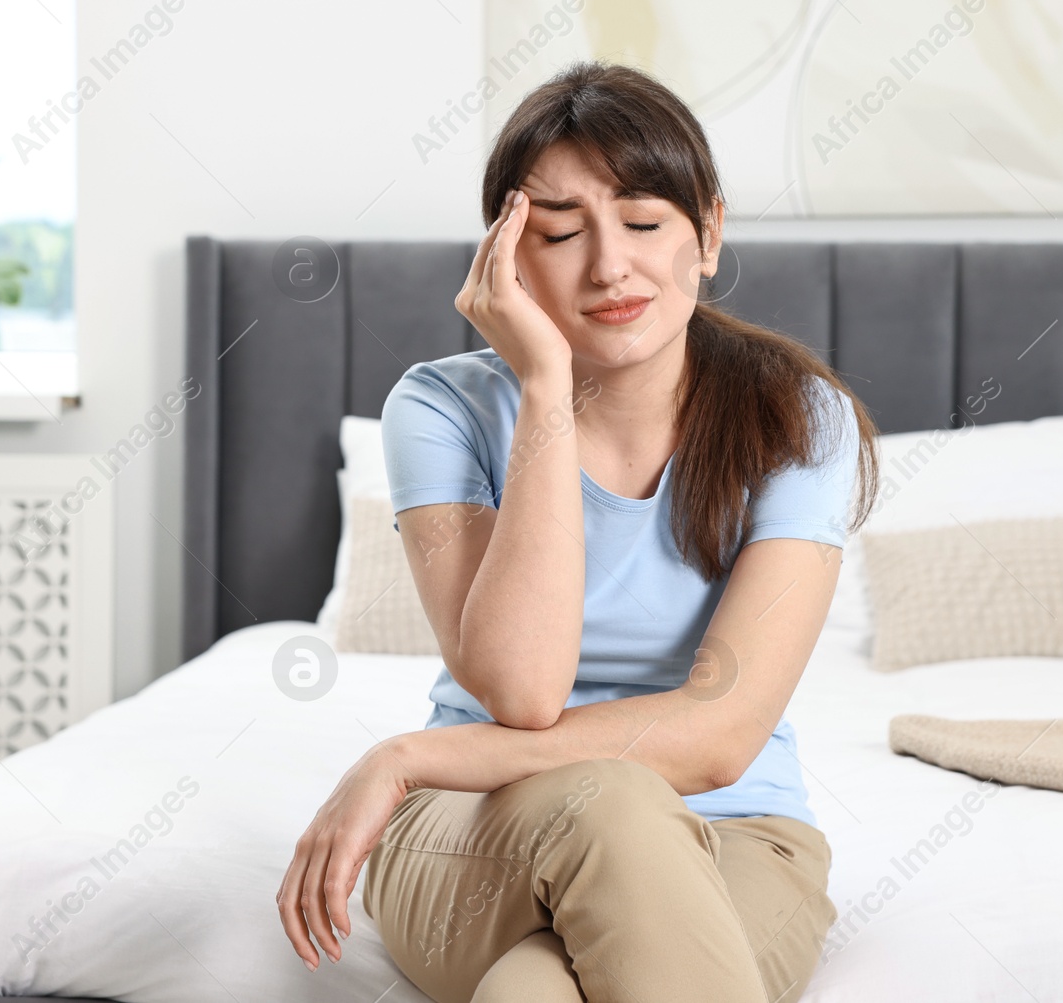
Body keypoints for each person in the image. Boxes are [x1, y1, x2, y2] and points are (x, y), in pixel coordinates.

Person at [277, 60, 881, 1003]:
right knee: (617, 798)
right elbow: (521, 688)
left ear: (708, 232)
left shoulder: (800, 417)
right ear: (507, 256)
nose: (609, 266)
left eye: (644, 223)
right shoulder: (439, 406)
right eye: (560, 233)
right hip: (479, 826)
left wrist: (409, 753)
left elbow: (720, 735)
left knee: (534, 991)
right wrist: (547, 388)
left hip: (739, 832)